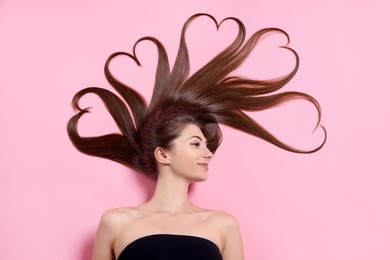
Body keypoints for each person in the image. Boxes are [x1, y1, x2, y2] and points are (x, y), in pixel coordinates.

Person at [67, 13, 326, 260]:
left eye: (206, 145)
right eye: (195, 144)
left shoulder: (222, 225)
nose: (208, 153)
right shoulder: (117, 222)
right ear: (163, 154)